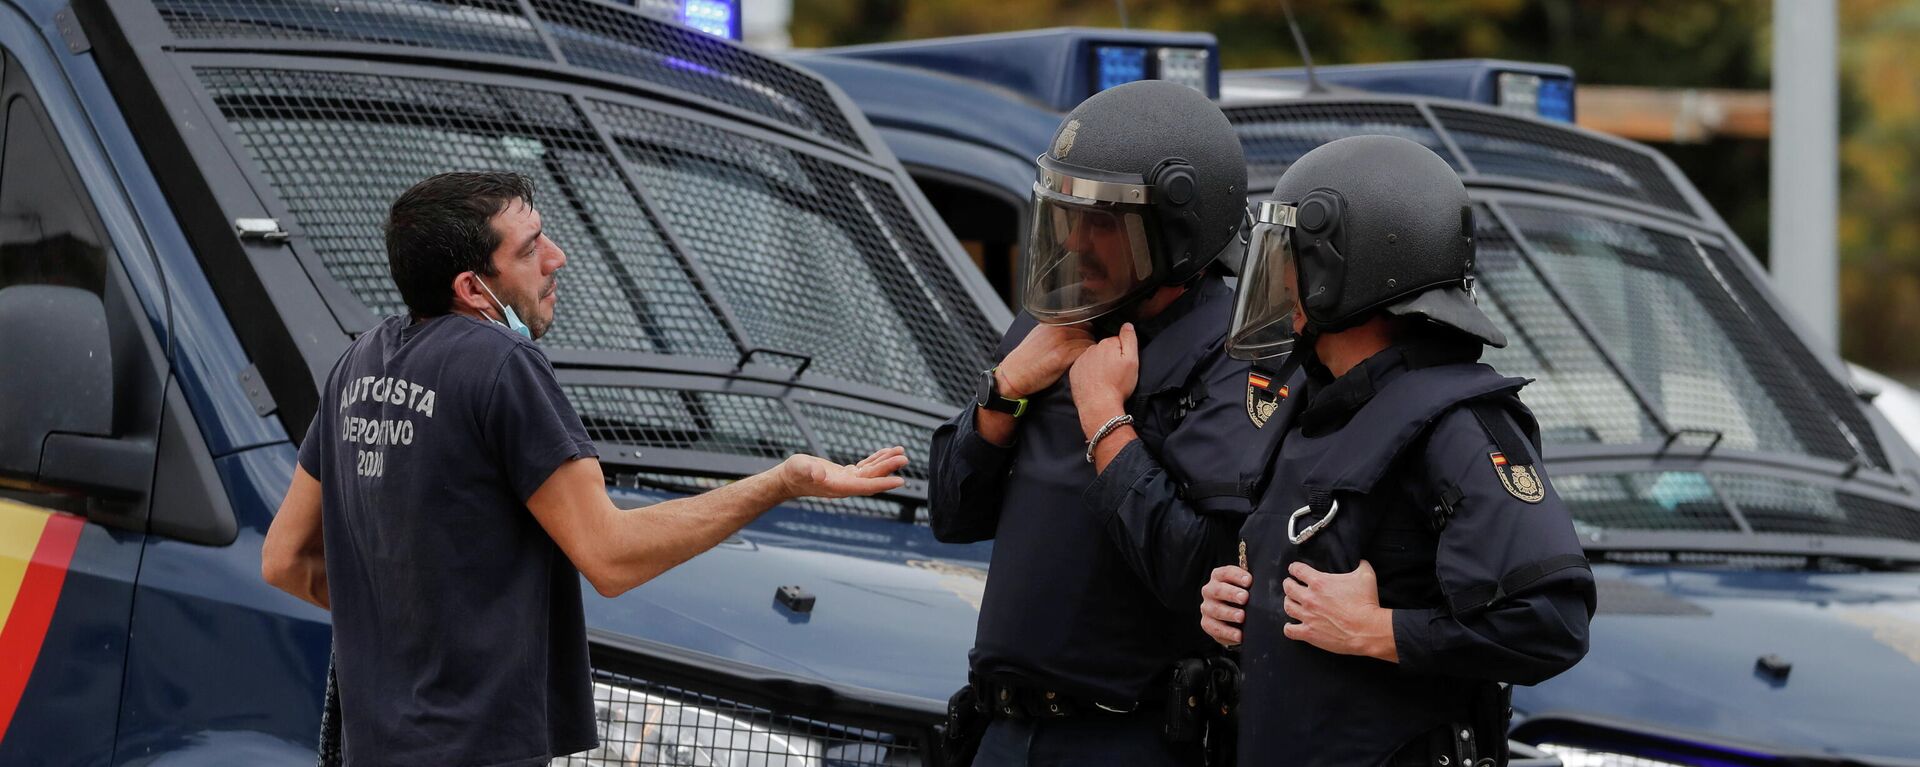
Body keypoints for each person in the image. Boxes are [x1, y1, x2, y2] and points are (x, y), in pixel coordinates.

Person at [260, 171, 909, 766]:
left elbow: (285, 559)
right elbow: (611, 555)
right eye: (529, 248)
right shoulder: (501, 362)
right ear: (472, 288)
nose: (556, 258)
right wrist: (782, 482)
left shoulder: (358, 364)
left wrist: (407, 632)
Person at [927, 80, 1299, 767]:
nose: (1076, 241)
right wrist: (1004, 389)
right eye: (1067, 214)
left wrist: (1105, 421)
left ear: (1177, 235)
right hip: (1001, 730)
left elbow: (1203, 572)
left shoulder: (1237, 353)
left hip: (1126, 738)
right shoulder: (1052, 325)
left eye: (1103, 222)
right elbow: (951, 511)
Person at [1195, 135, 1596, 766]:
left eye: (1292, 257)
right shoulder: (1311, 405)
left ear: (1339, 269)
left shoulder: (1456, 422)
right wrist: (1240, 603)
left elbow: (1550, 622)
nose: (1278, 278)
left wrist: (1379, 632)